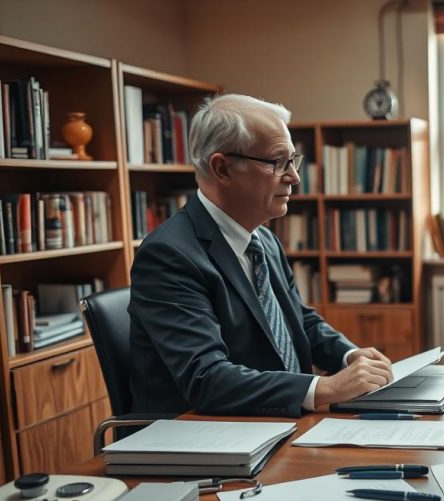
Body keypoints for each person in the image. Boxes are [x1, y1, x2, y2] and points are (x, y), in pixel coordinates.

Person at [129, 94, 393, 417]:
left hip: (272, 423)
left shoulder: (263, 240)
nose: (294, 177)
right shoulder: (168, 256)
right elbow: (207, 379)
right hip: (201, 443)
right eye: (277, 162)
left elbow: (300, 319)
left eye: (293, 161)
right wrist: (326, 388)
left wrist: (349, 356)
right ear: (222, 168)